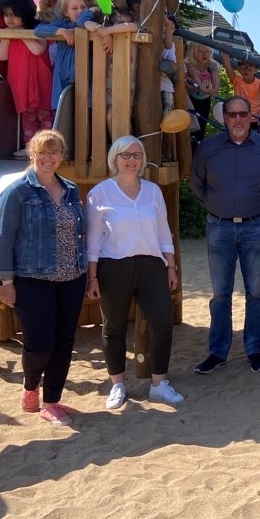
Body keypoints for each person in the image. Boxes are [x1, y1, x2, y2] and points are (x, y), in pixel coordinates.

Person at [0, 130, 87, 426]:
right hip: (32, 279)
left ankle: (52, 401)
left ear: (61, 156)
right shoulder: (17, 192)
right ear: (32, 155)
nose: (48, 158)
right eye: (42, 153)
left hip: (72, 277)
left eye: (54, 152)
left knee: (64, 341)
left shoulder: (70, 189)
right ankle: (31, 386)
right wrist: (5, 282)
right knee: (39, 344)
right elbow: (3, 238)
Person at [85, 136, 184, 408]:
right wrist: (92, 276)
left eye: (137, 155)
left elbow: (164, 231)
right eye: (125, 155)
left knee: (162, 322)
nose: (131, 160)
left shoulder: (153, 191)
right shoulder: (100, 193)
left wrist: (171, 266)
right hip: (113, 266)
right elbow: (92, 239)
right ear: (114, 159)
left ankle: (159, 383)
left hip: (152, 266)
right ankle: (118, 384)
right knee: (114, 327)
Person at [190, 96, 260, 375]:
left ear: (251, 116)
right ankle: (218, 351)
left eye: (243, 114)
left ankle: (254, 349)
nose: (238, 119)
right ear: (224, 117)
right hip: (219, 227)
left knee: (256, 292)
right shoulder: (207, 149)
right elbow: (197, 183)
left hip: (256, 227)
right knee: (220, 294)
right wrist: (215, 205)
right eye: (232, 115)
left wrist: (257, 206)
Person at [34, 0, 113, 111]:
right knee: (63, 113)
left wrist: (92, 10)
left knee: (84, 113)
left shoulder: (90, 24)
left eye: (83, 7)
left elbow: (82, 22)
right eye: (74, 8)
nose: (80, 11)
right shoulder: (63, 25)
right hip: (63, 79)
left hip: (85, 80)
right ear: (66, 12)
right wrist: (60, 31)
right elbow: (38, 30)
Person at [0, 0, 51, 156]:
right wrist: (5, 40)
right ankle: (30, 148)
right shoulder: (8, 34)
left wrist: (20, 34)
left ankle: (47, 148)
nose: (9, 19)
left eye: (14, 15)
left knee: (45, 115)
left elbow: (38, 50)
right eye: (6, 15)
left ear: (24, 15)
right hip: (20, 82)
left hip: (39, 81)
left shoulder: (37, 30)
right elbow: (1, 56)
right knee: (27, 116)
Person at [222, 52, 260, 127]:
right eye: (243, 67)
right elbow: (228, 68)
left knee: (253, 137)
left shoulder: (259, 83)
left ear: (255, 70)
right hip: (239, 116)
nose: (246, 70)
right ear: (238, 68)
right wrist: (225, 53)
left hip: (255, 118)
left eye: (250, 68)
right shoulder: (237, 80)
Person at [185, 43, 220, 145]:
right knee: (191, 124)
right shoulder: (190, 65)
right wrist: (200, 86)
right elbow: (195, 78)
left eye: (207, 52)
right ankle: (190, 144)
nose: (204, 54)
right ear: (194, 53)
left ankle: (198, 144)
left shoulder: (212, 65)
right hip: (192, 98)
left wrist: (214, 90)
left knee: (202, 123)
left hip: (205, 99)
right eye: (201, 52)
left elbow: (215, 79)